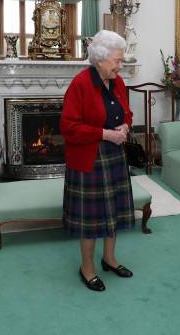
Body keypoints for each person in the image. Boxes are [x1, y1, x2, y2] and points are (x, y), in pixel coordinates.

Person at [60, 30, 135, 292]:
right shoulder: (80, 84)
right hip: (89, 157)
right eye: (117, 60)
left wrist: (125, 125)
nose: (120, 65)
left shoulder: (118, 82)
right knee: (91, 220)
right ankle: (87, 268)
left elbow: (127, 111)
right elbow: (68, 127)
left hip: (114, 154)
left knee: (112, 210)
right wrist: (105, 133)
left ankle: (109, 259)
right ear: (100, 59)